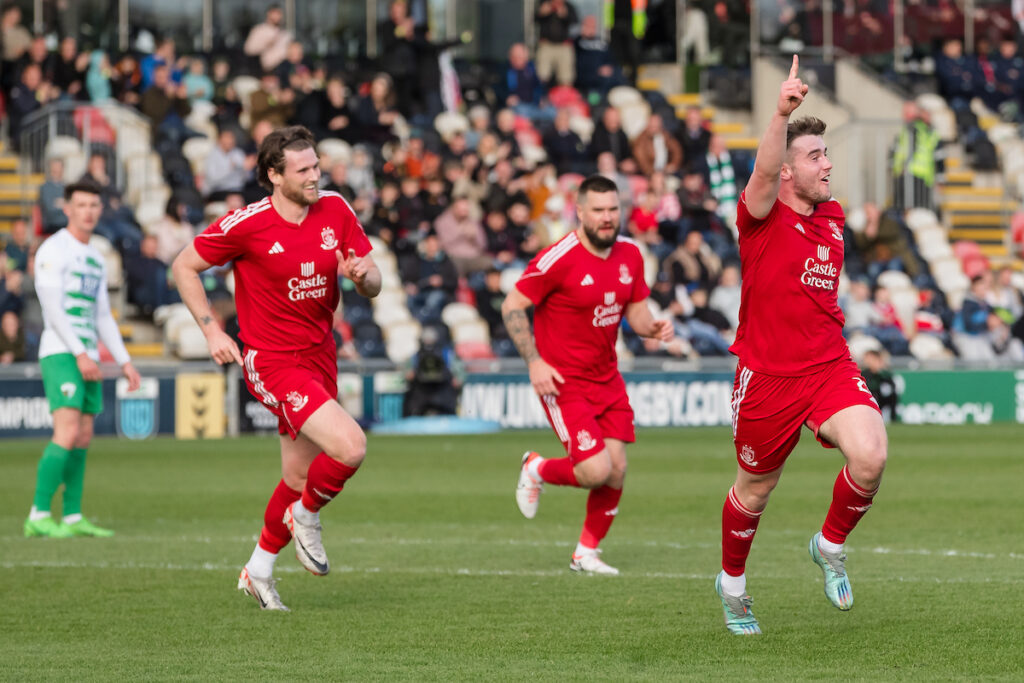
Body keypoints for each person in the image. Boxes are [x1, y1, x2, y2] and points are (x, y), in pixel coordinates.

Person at [171, 125, 382, 611]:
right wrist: (212, 331)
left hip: (319, 354)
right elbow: (184, 266)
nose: (315, 177)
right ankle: (305, 517)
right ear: (273, 175)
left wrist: (363, 277)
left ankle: (259, 570)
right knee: (351, 447)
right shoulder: (246, 224)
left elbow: (373, 280)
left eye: (316, 167)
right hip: (272, 360)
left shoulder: (336, 208)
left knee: (295, 476)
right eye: (303, 170)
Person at [714, 56, 888, 635]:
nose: (827, 164)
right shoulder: (760, 217)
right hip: (767, 376)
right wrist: (780, 114)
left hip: (828, 366)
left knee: (871, 455)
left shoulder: (833, 216)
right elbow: (761, 176)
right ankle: (733, 586)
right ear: (788, 172)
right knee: (755, 490)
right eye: (815, 156)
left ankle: (829, 545)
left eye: (826, 153)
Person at [503, 174, 673, 575]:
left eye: (613, 209)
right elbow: (512, 305)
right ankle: (536, 468)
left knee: (617, 468)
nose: (607, 217)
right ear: (579, 212)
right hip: (562, 382)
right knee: (595, 470)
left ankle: (585, 553)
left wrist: (652, 328)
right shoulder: (556, 259)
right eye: (598, 210)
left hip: (607, 378)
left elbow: (635, 311)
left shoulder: (631, 254)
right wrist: (534, 362)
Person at [23, 180, 142, 539]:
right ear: (67, 207)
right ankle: (38, 514)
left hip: (88, 354)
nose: (88, 211)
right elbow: (52, 308)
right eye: (82, 204)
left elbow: (102, 315)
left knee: (84, 435)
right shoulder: (53, 249)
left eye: (94, 205)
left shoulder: (95, 257)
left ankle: (72, 516)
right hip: (61, 352)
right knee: (67, 430)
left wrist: (124, 361)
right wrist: (78, 352)